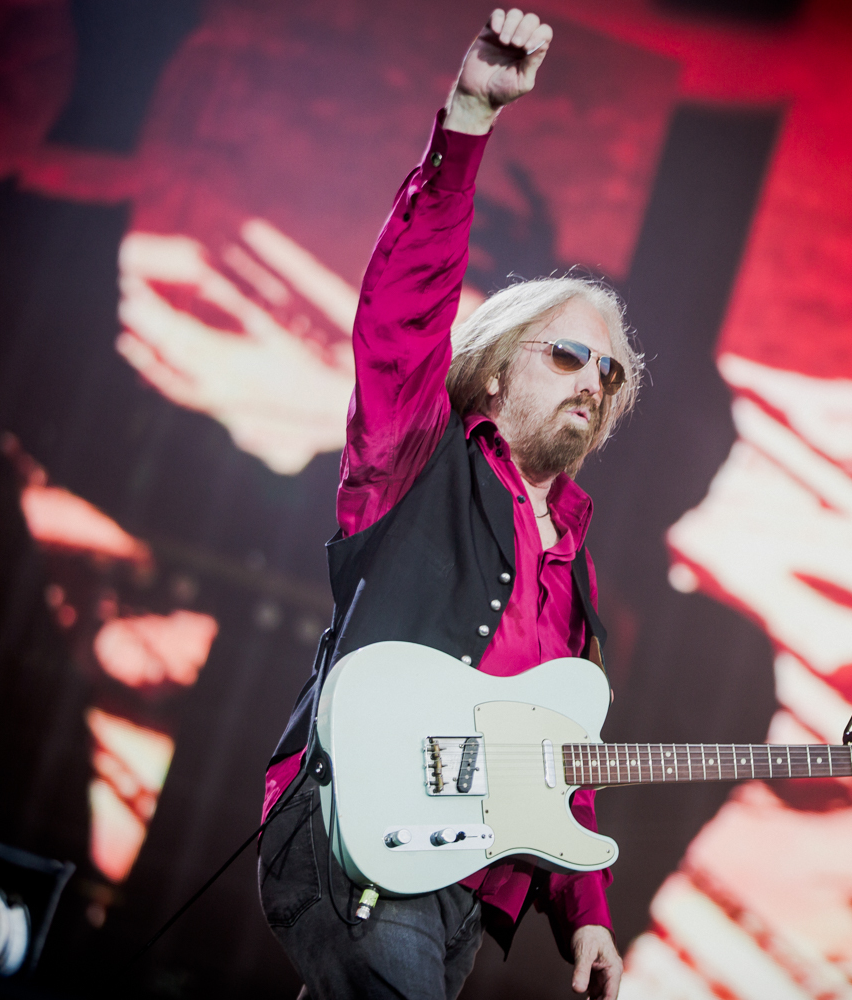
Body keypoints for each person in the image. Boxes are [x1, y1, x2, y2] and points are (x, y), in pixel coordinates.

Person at [256, 9, 642, 999]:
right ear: (501, 363)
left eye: (612, 371)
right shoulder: (418, 458)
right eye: (568, 355)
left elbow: (557, 749)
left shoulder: (579, 565)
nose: (593, 380)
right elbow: (403, 310)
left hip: (467, 885)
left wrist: (588, 911)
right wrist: (470, 116)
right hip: (360, 841)